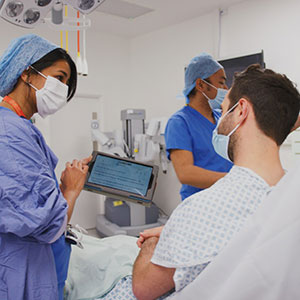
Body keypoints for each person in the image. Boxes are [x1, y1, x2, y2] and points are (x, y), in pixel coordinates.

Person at [128, 64, 300, 300]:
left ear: (241, 111)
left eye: (224, 109)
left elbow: (143, 289)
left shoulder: (201, 210)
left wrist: (157, 240)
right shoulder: (289, 201)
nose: (219, 122)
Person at [0, 34, 91, 300]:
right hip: (22, 270)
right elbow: (44, 225)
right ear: (27, 73)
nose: (62, 88)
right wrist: (71, 190)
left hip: (38, 264)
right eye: (59, 78)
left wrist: (62, 186)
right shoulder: (9, 132)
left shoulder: (21, 127)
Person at [165, 53, 233, 200]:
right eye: (221, 83)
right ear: (201, 85)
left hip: (227, 197)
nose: (226, 88)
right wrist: (232, 180)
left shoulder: (220, 117)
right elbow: (186, 173)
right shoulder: (179, 122)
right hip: (200, 203)